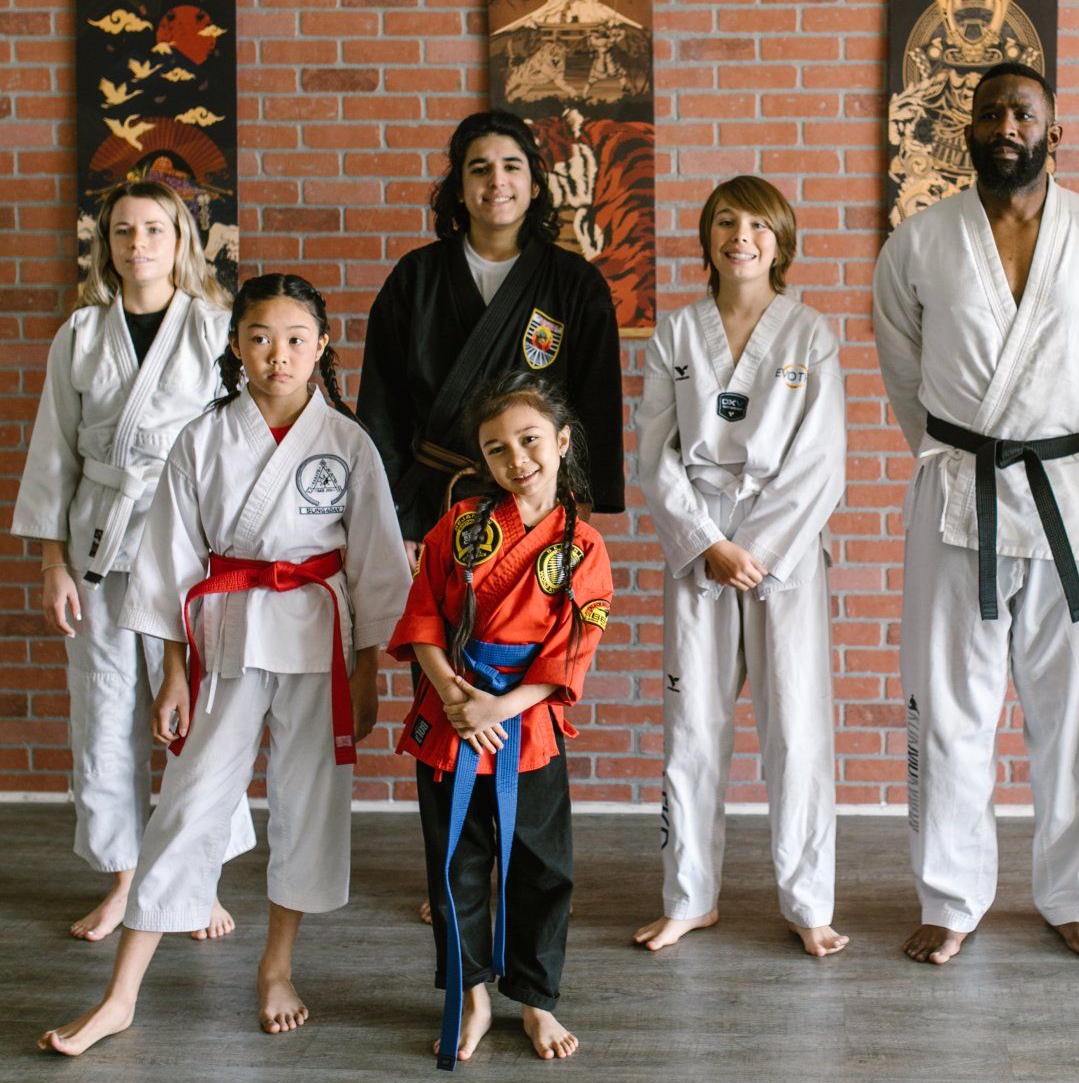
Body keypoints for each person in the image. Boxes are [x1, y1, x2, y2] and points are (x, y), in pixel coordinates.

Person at [38, 274, 413, 1055]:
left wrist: (369, 670)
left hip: (320, 635)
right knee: (187, 805)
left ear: (321, 349)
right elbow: (170, 561)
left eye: (296, 340)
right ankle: (121, 996)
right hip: (228, 631)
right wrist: (174, 670)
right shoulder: (203, 439)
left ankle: (276, 966)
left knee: (309, 804)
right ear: (235, 346)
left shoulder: (348, 443)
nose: (279, 356)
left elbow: (378, 564)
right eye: (260, 338)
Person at [872, 62, 1079, 965]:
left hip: (1065, 494)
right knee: (949, 707)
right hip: (959, 490)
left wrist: (1069, 448)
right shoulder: (920, 241)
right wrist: (956, 446)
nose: (1004, 125)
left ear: (1053, 130)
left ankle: (1078, 893)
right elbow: (904, 368)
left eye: (1021, 112)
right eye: (988, 113)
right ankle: (952, 896)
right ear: (968, 132)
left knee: (1076, 712)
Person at [11, 180, 255, 942]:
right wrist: (52, 563)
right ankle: (124, 880)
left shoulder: (219, 330)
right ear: (105, 246)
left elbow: (240, 448)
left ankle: (199, 874)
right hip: (97, 544)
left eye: (155, 229)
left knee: (199, 719)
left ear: (182, 241)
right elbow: (53, 455)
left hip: (189, 547)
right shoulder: (80, 335)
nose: (138, 244)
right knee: (104, 713)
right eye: (123, 231)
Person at [631, 176, 848, 958]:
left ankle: (809, 901)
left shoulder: (809, 334)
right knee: (693, 726)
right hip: (701, 543)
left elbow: (822, 461)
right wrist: (708, 544)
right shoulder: (676, 335)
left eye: (759, 225)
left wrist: (757, 549)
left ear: (781, 242)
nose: (741, 237)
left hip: (780, 547)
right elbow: (653, 453)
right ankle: (690, 897)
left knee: (796, 726)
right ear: (708, 238)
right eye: (727, 222)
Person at [392, 373, 613, 1068]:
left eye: (529, 440)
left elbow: (569, 653)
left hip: (525, 722)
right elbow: (422, 613)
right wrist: (456, 696)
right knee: (455, 865)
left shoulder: (583, 548)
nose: (516, 460)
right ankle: (473, 996)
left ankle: (537, 998)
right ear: (481, 461)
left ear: (562, 442)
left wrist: (498, 705)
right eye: (496, 449)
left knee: (543, 868)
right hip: (451, 708)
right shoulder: (461, 526)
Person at [359, 110, 626, 551]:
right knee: (431, 620)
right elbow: (381, 407)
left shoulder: (575, 282)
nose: (496, 181)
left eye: (511, 167)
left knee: (526, 622)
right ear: (460, 191)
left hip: (535, 501)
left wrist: (578, 504)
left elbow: (595, 403)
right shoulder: (416, 277)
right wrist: (395, 518)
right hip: (431, 505)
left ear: (534, 185)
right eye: (479, 169)